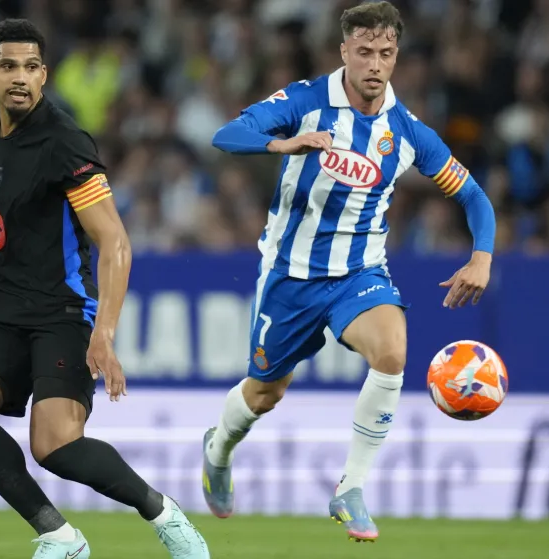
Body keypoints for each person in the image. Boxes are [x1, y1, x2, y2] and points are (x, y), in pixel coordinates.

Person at [0, 19, 209, 559]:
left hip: (60, 309)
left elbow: (115, 242)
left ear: (44, 75)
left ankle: (162, 512)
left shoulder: (65, 143)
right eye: (8, 66)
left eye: (31, 67)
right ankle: (60, 537)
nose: (20, 77)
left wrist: (104, 333)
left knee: (55, 446)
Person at [202, 1, 496, 543]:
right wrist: (282, 143)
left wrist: (482, 256)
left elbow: (473, 195)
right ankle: (218, 449)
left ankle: (351, 488)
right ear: (344, 51)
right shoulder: (306, 101)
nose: (375, 64)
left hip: (358, 274)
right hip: (290, 276)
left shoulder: (408, 132)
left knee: (392, 351)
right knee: (265, 393)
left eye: (385, 52)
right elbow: (228, 133)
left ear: (397, 55)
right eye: (364, 52)